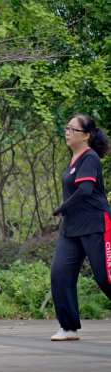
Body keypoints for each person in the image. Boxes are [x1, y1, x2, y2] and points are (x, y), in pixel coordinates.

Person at [50, 113, 111, 342]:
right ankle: (68, 327)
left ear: (86, 135)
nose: (67, 132)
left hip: (96, 225)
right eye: (66, 128)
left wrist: (61, 208)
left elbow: (85, 191)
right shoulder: (73, 158)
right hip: (71, 229)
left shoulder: (90, 158)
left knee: (105, 278)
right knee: (60, 274)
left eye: (72, 129)